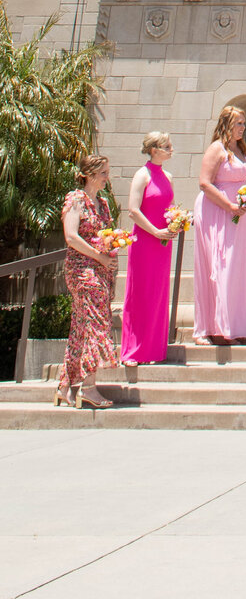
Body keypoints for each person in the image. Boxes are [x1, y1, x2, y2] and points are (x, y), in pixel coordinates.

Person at [56, 153, 120, 409]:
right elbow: (71, 236)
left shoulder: (103, 204)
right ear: (90, 174)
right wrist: (99, 257)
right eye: (103, 173)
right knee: (96, 327)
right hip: (82, 271)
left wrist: (111, 256)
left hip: (101, 270)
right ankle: (89, 388)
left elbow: (109, 236)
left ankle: (64, 386)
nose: (107, 177)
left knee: (81, 328)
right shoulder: (76, 200)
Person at [192, 104, 246, 345]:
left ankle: (231, 326)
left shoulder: (241, 148)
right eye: (238, 123)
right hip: (216, 212)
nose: (242, 128)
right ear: (226, 124)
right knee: (219, 267)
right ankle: (211, 329)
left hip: (238, 214)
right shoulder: (216, 149)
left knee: (235, 269)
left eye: (243, 123)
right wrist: (229, 206)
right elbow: (204, 183)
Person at [120, 130, 175, 365]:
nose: (171, 150)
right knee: (140, 294)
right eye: (167, 147)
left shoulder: (168, 176)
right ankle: (132, 351)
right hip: (144, 243)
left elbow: (169, 207)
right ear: (154, 150)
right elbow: (133, 210)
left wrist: (176, 221)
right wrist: (155, 231)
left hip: (163, 244)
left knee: (158, 295)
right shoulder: (142, 175)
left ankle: (153, 349)